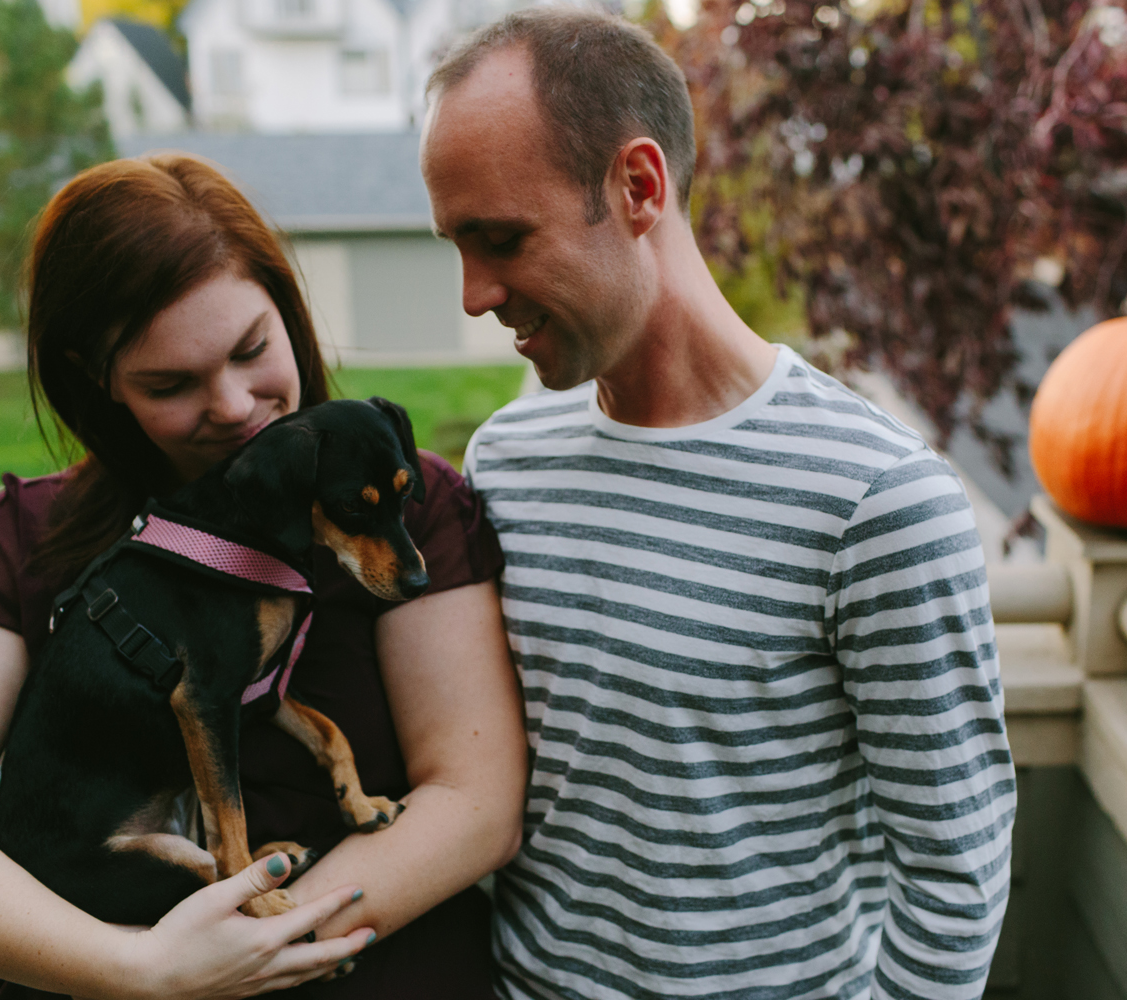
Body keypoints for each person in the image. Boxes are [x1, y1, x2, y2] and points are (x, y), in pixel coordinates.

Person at [421, 9, 1015, 999]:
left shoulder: (878, 499)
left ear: (639, 187)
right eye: (457, 246)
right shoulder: (504, 459)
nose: (476, 294)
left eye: (502, 239)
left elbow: (955, 875)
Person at [0, 155, 527, 1000]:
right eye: (170, 383)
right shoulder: (24, 539)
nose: (231, 405)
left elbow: (475, 804)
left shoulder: (401, 509)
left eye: (252, 349)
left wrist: (259, 948)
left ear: (287, 312)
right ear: (98, 381)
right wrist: (141, 969)